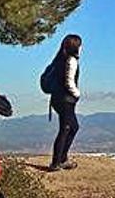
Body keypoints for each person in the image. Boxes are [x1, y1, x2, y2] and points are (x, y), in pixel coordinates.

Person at [48, 34, 83, 171]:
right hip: (66, 100)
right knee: (66, 129)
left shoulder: (59, 59)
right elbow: (69, 81)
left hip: (57, 99)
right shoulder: (71, 60)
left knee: (72, 127)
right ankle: (57, 162)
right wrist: (77, 94)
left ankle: (61, 159)